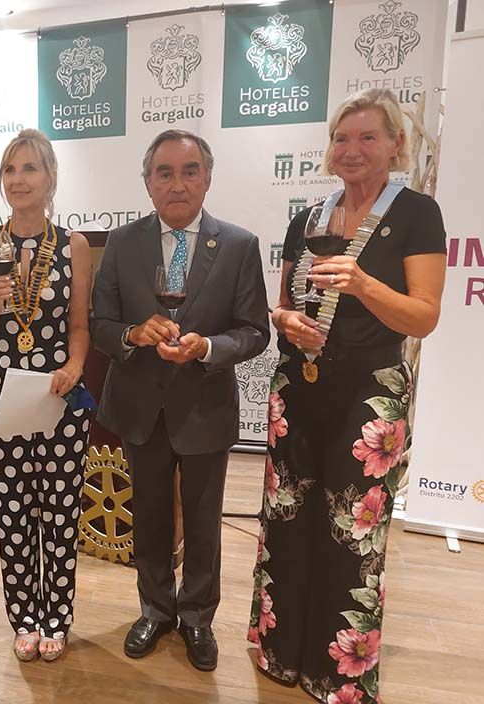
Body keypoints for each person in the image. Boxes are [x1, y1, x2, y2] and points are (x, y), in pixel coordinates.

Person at [248, 89, 446, 704]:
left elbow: (424, 316)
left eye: (367, 137)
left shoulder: (416, 214)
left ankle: (342, 675)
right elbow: (284, 306)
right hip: (299, 392)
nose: (352, 149)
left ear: (395, 146)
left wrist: (361, 284)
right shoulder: (306, 219)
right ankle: (282, 654)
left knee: (352, 536)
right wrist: (288, 324)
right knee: (287, 525)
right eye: (342, 138)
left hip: (370, 399)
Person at [91, 129, 270, 671]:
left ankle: (196, 617)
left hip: (204, 407)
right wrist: (132, 335)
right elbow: (100, 325)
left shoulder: (238, 245)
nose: (177, 183)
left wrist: (207, 346)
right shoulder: (122, 244)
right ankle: (155, 609)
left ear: (208, 178)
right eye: (163, 173)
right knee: (148, 516)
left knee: (202, 521)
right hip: (140, 407)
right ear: (147, 184)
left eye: (189, 171)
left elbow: (254, 331)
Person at [0, 129, 93, 662]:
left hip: (59, 397)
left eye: (30, 169)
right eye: (10, 170)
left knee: (60, 513)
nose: (19, 180)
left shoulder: (73, 246)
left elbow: (81, 326)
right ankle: (23, 617)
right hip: (2, 398)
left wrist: (74, 365)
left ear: (51, 178)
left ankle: (56, 619)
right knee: (14, 511)